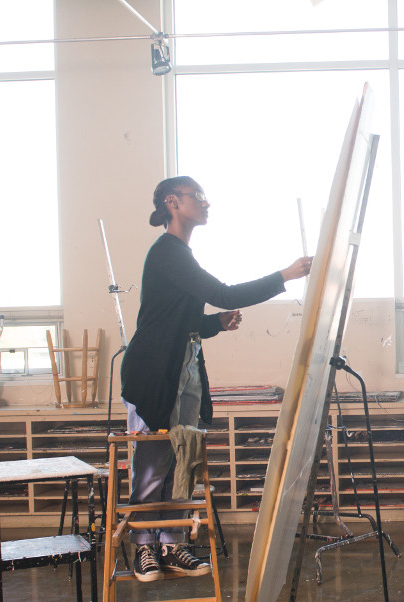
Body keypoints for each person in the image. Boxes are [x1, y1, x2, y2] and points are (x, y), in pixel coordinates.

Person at [121, 175, 313, 581]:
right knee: (153, 463)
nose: (206, 204)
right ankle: (143, 550)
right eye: (198, 197)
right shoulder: (167, 252)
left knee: (183, 461)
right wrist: (286, 274)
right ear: (173, 202)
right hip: (154, 375)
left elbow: (183, 320)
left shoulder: (182, 256)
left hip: (184, 372)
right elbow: (224, 292)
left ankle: (172, 546)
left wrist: (215, 325)